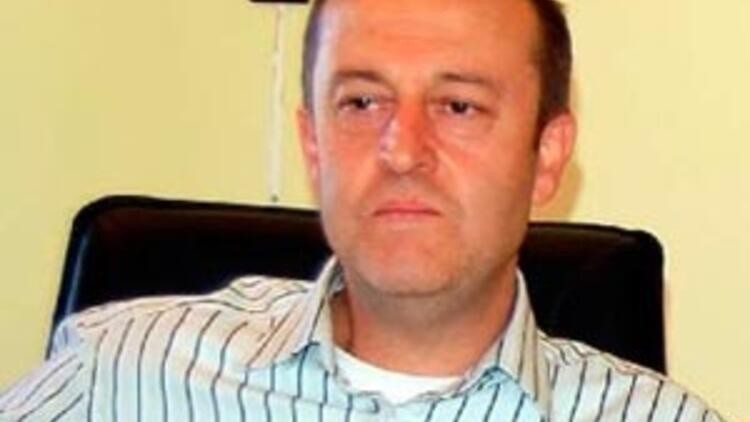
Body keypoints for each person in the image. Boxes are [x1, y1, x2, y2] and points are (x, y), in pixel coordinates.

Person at [0, 0, 725, 420]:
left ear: (547, 156)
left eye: (458, 106)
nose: (401, 149)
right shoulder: (119, 376)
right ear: (313, 146)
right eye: (362, 102)